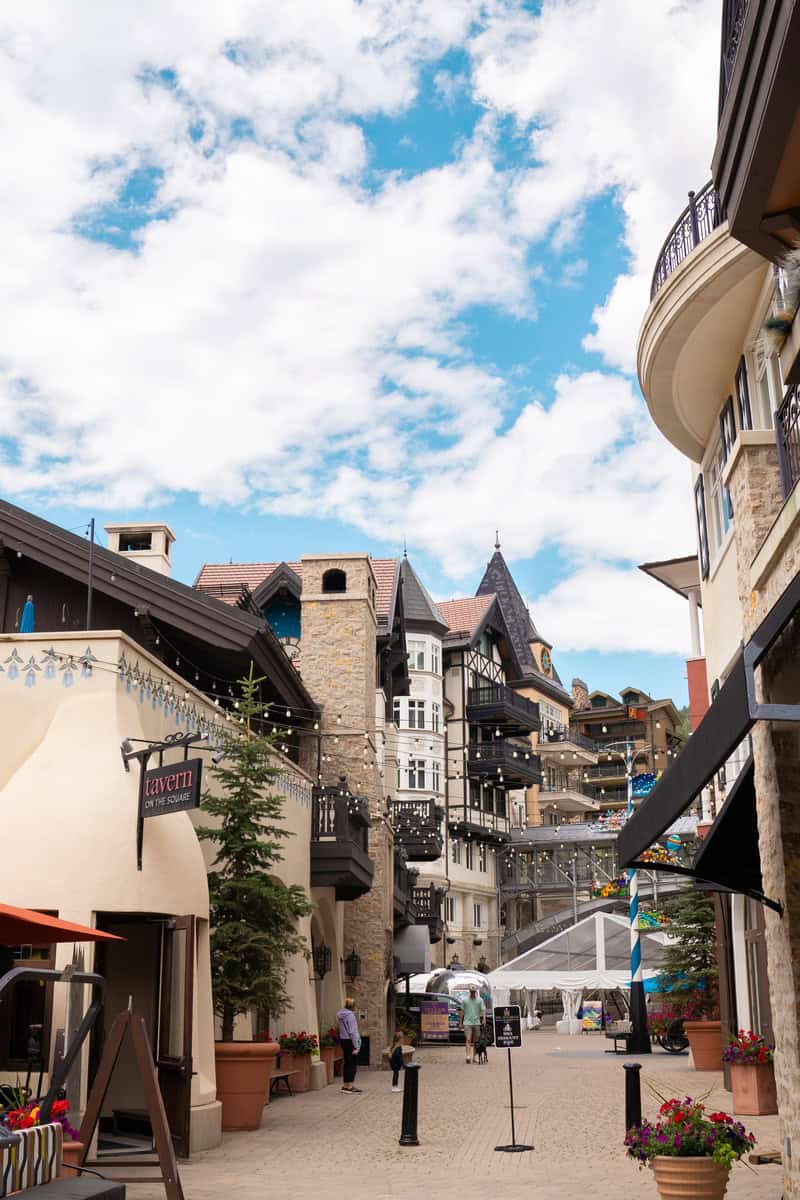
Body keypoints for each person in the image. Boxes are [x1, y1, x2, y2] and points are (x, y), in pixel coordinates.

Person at [336, 998, 362, 1093]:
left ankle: (345, 1085)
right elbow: (352, 1032)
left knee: (347, 1063)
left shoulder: (341, 1014)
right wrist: (357, 1046)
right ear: (353, 1006)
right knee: (352, 1064)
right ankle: (350, 1086)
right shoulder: (350, 1016)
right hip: (350, 1041)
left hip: (343, 1040)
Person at [459, 983, 486, 1063]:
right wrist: (460, 1023)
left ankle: (475, 1056)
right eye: (471, 991)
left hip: (476, 1022)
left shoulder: (480, 1000)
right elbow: (462, 1012)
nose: (473, 993)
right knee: (468, 1039)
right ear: (469, 991)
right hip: (467, 1023)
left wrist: (484, 1019)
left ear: (476, 991)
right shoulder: (465, 1000)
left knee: (476, 1041)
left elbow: (483, 1010)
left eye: (474, 991)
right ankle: (468, 1056)